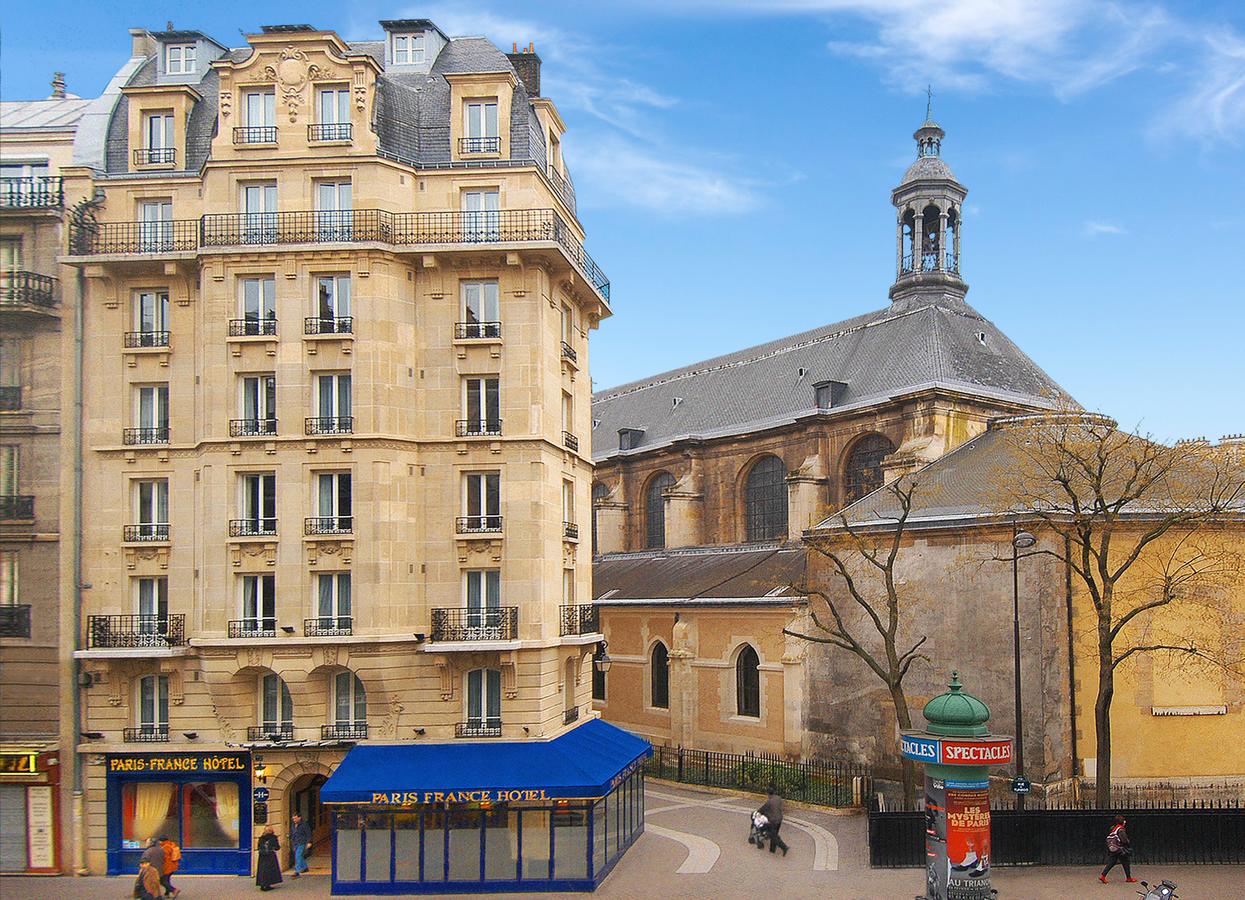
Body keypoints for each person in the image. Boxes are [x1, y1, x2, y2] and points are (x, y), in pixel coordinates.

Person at [1099, 816, 1136, 884]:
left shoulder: (1113, 828)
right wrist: (1128, 842)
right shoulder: (1121, 829)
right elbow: (1124, 840)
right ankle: (1128, 878)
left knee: (1112, 862)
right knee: (1126, 862)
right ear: (1122, 821)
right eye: (1124, 820)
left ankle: (1103, 875)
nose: (1125, 821)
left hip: (1113, 848)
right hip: (1120, 848)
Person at [759, 785, 789, 856]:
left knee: (773, 835)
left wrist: (758, 813)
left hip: (773, 821)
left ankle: (784, 847)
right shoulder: (779, 798)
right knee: (774, 834)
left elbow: (762, 809)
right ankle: (772, 850)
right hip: (779, 819)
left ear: (768, 794)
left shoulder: (769, 802)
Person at [256, 826, 283, 892]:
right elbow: (277, 847)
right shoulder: (273, 838)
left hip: (262, 856)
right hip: (270, 855)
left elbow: (258, 846)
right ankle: (267, 884)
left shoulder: (261, 838)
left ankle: (262, 884)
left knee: (262, 870)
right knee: (270, 870)